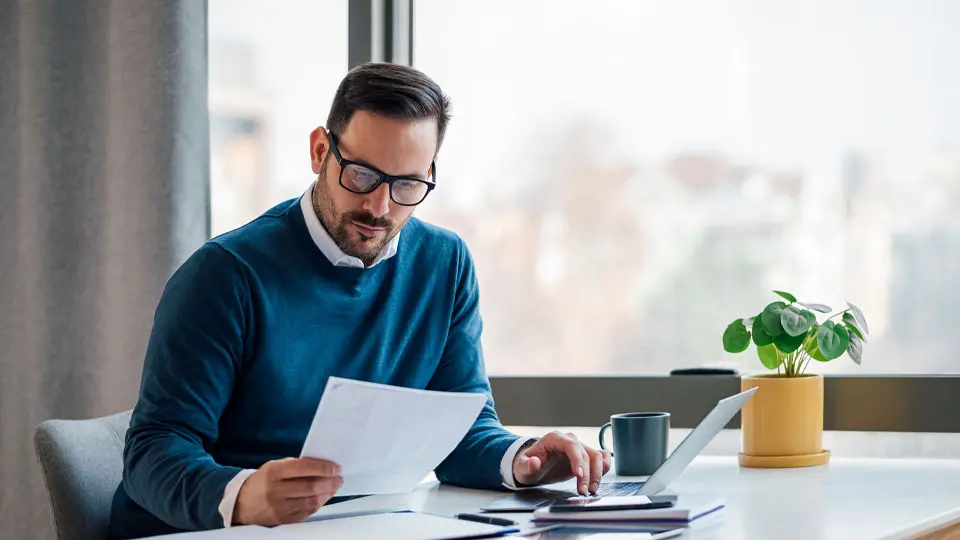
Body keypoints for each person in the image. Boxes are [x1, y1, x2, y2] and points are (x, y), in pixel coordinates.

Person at [109, 63, 610, 539]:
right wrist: (243, 495)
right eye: (363, 175)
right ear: (319, 151)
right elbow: (154, 452)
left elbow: (462, 430)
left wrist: (523, 459)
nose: (380, 206)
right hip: (206, 532)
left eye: (408, 184)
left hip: (352, 527)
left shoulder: (445, 264)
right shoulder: (224, 276)